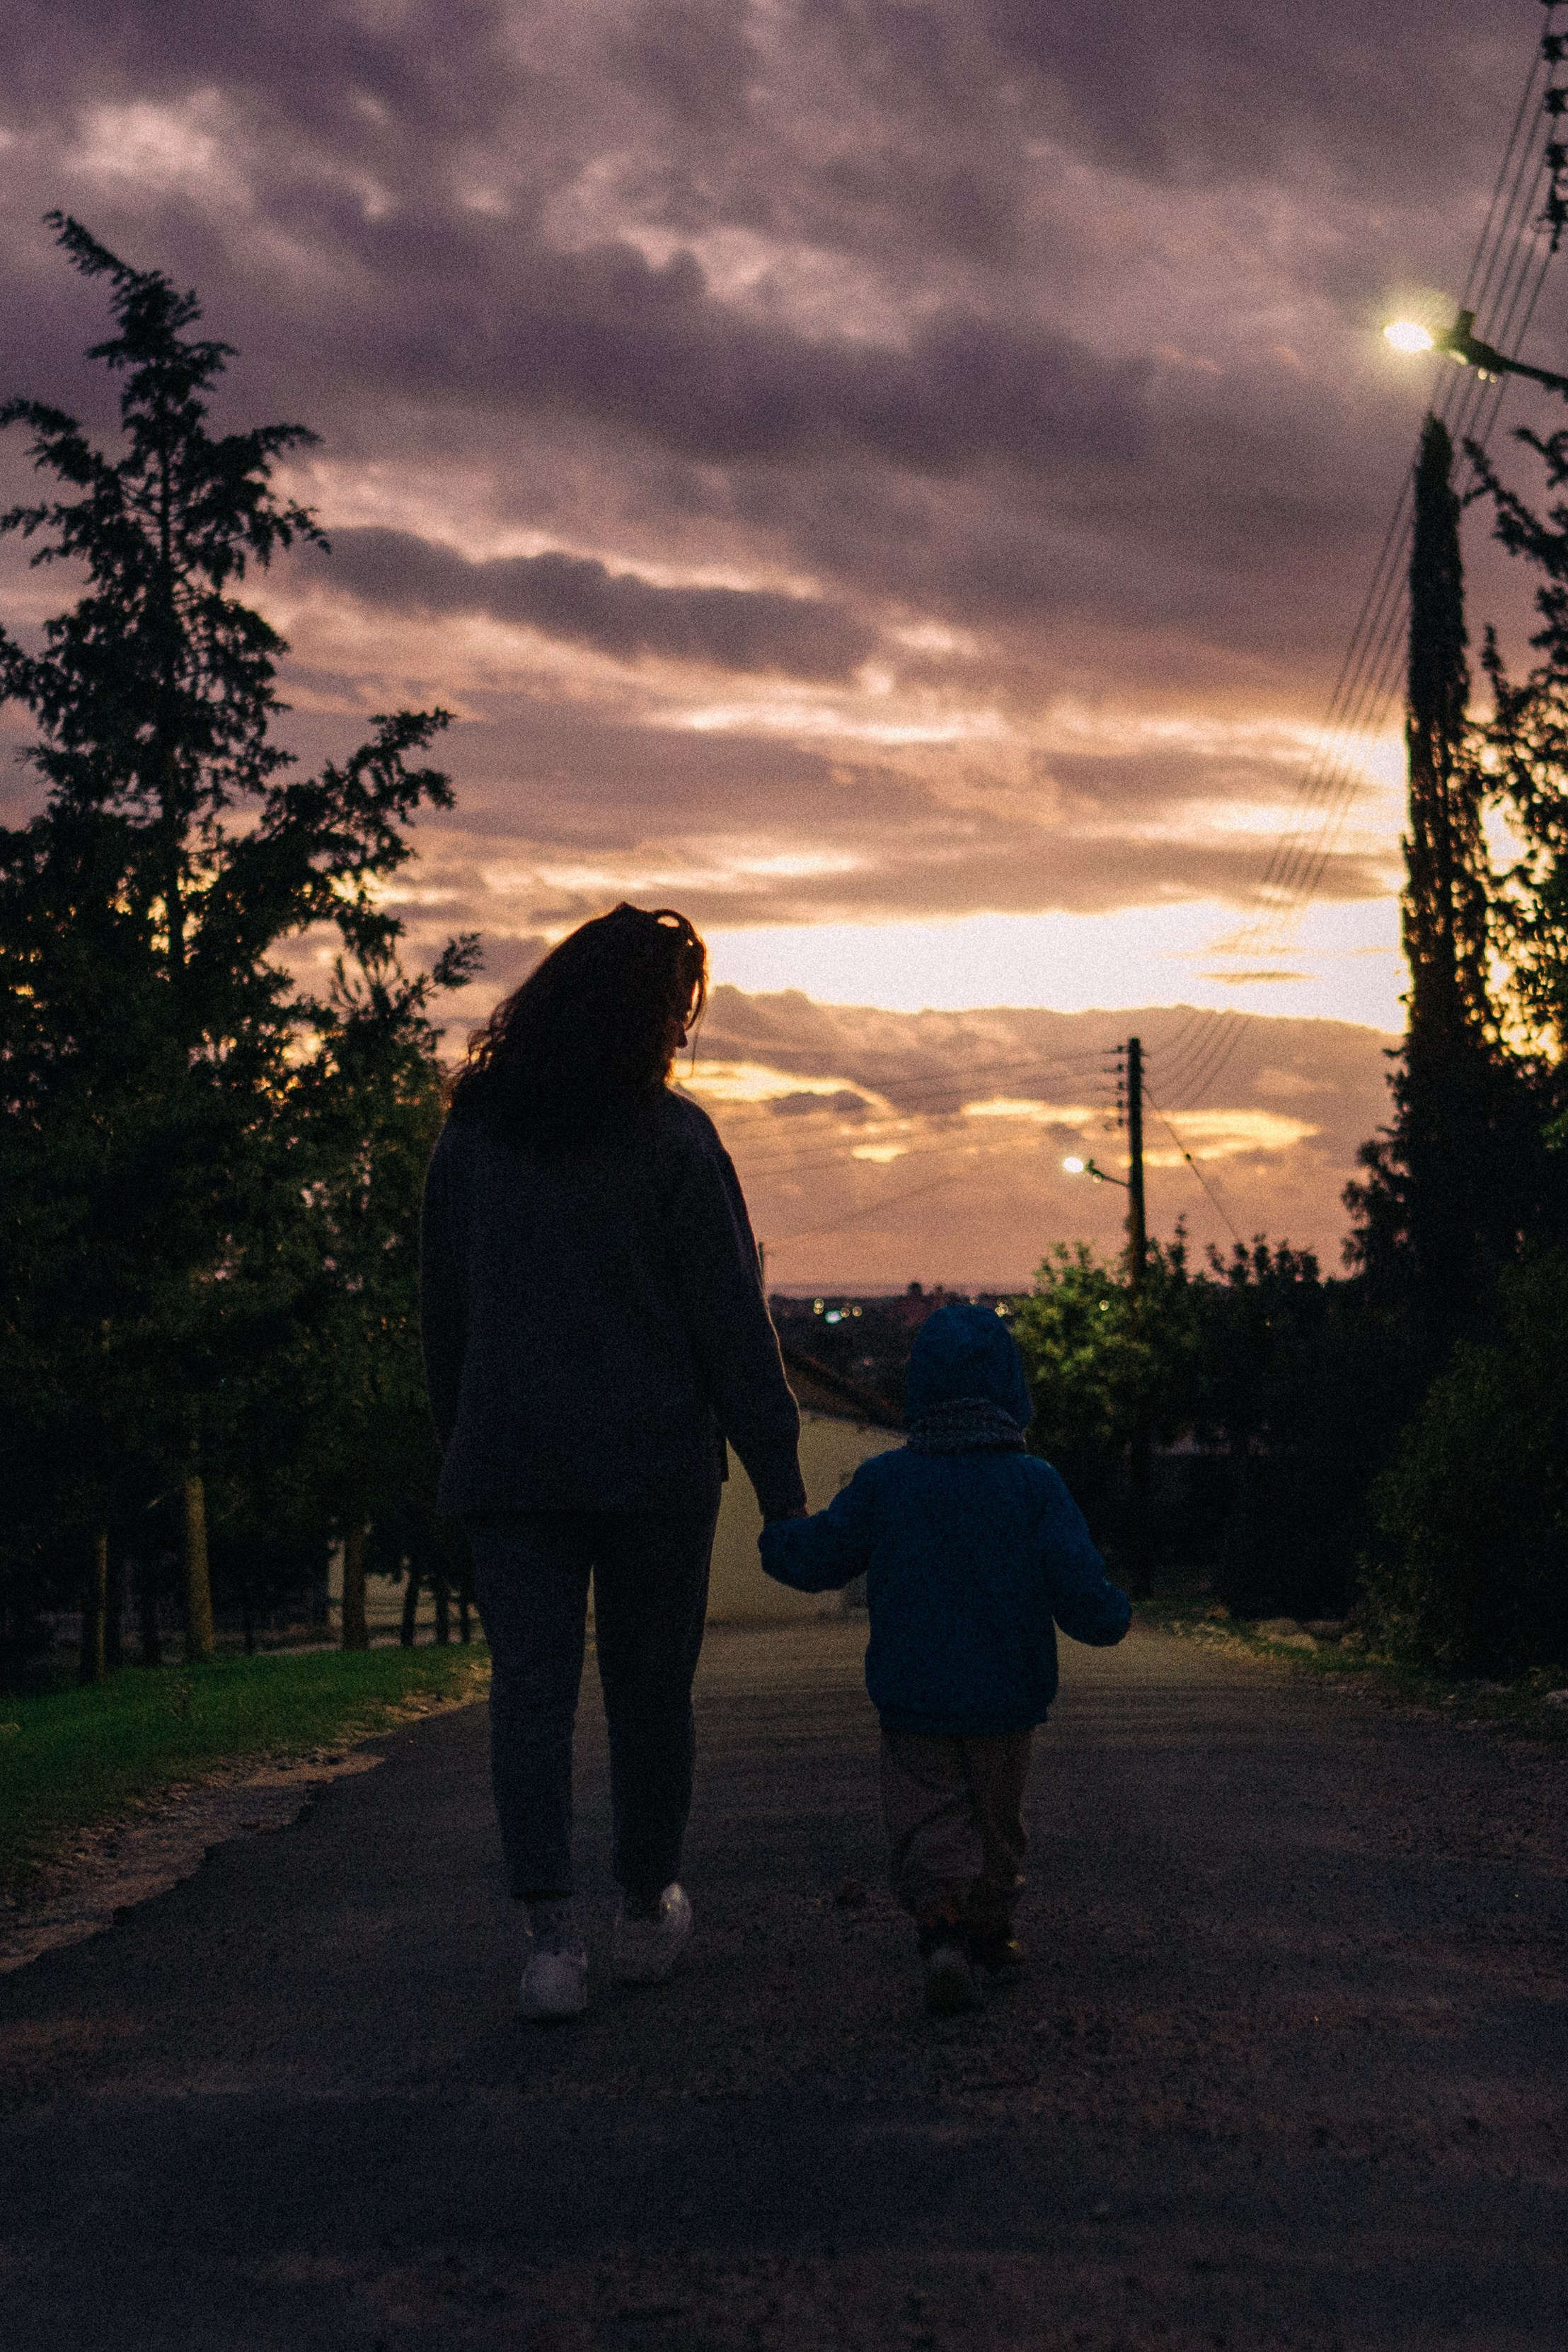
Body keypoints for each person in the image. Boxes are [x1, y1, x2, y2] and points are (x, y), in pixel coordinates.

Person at [421, 903, 805, 2020]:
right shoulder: (676, 1140)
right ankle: (644, 1913)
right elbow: (734, 1328)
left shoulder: (473, 1137)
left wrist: (468, 1446)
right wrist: (782, 1495)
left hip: (513, 1468)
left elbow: (444, 1320)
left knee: (529, 1696)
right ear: (656, 1017)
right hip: (654, 1470)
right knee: (650, 1696)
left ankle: (549, 1944)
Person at [759, 1301, 1129, 2014]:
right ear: (1010, 1391)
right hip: (1006, 1698)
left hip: (913, 1698)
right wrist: (1109, 1616)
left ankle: (941, 1929)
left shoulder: (885, 1482)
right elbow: (1074, 1579)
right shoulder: (1033, 1485)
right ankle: (990, 1929)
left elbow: (824, 1553)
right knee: (998, 1822)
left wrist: (780, 1538)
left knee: (927, 1819)